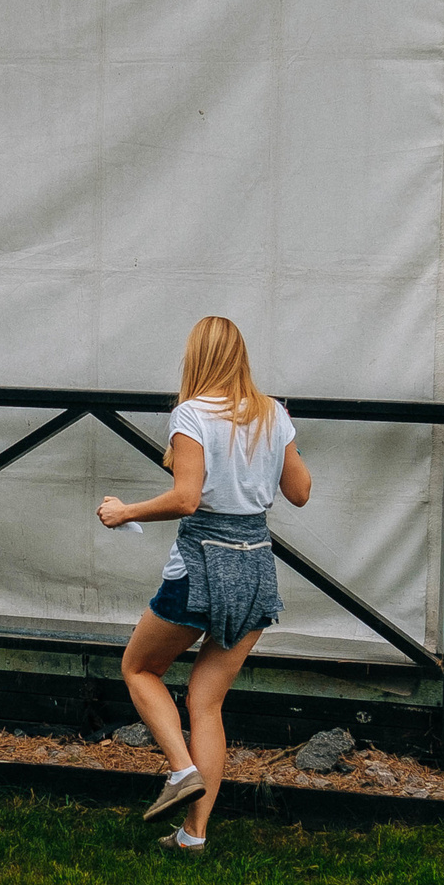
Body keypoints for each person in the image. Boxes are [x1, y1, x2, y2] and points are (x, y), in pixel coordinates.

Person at [97, 317, 313, 856]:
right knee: (207, 704)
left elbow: (187, 498)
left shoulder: (191, 415)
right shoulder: (274, 413)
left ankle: (181, 770)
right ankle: (193, 836)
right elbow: (301, 492)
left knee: (139, 668)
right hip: (257, 566)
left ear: (196, 358)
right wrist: (284, 436)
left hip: (202, 565)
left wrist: (125, 512)